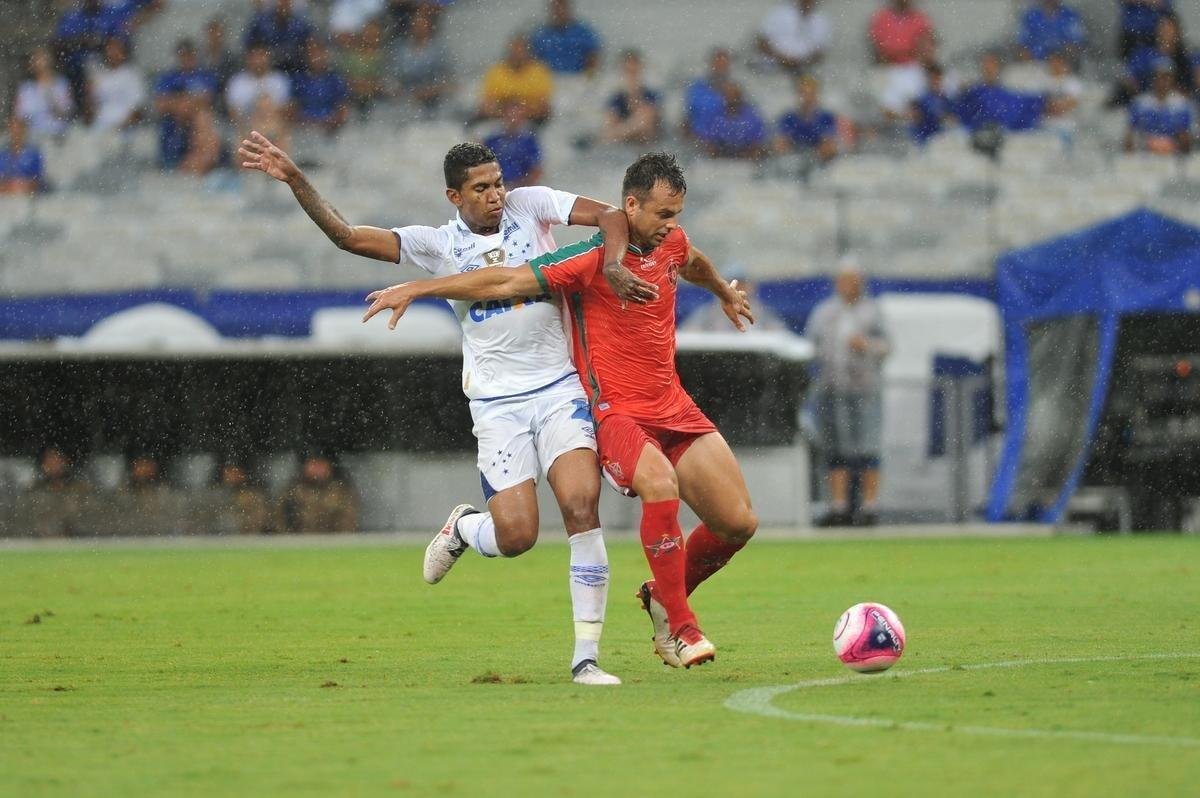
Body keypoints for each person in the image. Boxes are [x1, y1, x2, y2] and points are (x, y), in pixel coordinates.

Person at [237, 134, 648, 685]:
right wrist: (297, 180)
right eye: (481, 188)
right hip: (497, 404)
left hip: (558, 388)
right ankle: (463, 530)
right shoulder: (436, 243)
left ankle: (586, 658)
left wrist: (616, 264)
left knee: (581, 504)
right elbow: (347, 237)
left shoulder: (533, 204)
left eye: (498, 182)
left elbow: (613, 218)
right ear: (454, 196)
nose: (497, 195)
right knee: (518, 536)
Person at [362, 152, 759, 670]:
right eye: (663, 215)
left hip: (673, 405)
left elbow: (692, 260)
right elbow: (501, 281)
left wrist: (722, 291)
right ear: (631, 206)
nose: (672, 227)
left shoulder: (672, 244)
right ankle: (679, 631)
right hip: (616, 414)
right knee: (654, 489)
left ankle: (662, 596)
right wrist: (420, 285)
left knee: (737, 523)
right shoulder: (588, 261)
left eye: (677, 215)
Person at [805, 260, 890, 527]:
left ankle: (869, 506)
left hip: (864, 390)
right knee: (835, 449)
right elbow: (811, 346)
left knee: (868, 447)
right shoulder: (825, 312)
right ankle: (839, 505)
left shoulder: (873, 312)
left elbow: (887, 346)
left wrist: (866, 346)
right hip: (832, 389)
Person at [154, 39, 221, 174]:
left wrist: (181, 103)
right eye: (183, 55)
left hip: (198, 123)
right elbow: (160, 104)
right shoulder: (168, 77)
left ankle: (199, 163)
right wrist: (183, 104)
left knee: (203, 118)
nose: (187, 59)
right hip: (173, 123)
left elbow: (207, 99)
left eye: (190, 55)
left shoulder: (205, 75)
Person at [478, 35, 554, 124]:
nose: (518, 54)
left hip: (532, 121)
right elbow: (486, 106)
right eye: (515, 50)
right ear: (509, 51)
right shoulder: (496, 71)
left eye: (521, 50)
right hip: (500, 121)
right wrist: (508, 114)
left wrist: (519, 114)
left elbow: (544, 107)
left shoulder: (539, 71)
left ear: (528, 51)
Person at [278, 454, 359, 533]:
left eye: (321, 464)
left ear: (329, 466)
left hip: (333, 540)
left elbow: (349, 522)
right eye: (313, 464)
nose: (317, 468)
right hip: (301, 540)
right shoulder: (293, 490)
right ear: (305, 466)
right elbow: (279, 520)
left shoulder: (341, 491)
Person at [24, 447, 93, 538]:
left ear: (65, 461)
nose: (53, 464)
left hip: (76, 538)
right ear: (43, 464)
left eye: (56, 459)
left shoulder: (79, 487)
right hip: (41, 540)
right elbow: (30, 517)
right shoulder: (36, 488)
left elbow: (87, 516)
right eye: (49, 460)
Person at [390, 11, 452, 110]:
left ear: (429, 27)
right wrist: (407, 92)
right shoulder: (401, 50)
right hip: (407, 98)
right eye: (416, 25)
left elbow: (448, 78)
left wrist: (431, 90)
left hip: (435, 98)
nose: (419, 29)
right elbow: (395, 77)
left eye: (422, 25)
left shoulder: (439, 50)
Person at [1126, 64, 1193, 155]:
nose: (1162, 81)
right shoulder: (1140, 102)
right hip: (1144, 151)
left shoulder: (1181, 104)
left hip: (1173, 151)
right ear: (1153, 79)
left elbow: (1185, 135)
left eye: (1166, 77)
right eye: (1159, 77)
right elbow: (1131, 132)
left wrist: (1176, 147)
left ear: (1172, 79)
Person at [600, 49, 661, 145]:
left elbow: (646, 127)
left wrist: (620, 131)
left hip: (648, 146)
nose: (632, 76)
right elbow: (607, 132)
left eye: (634, 71)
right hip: (624, 147)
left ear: (641, 69)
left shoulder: (652, 96)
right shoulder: (616, 99)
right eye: (628, 71)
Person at [225, 45, 291, 132]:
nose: (258, 60)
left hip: (274, 129)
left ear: (268, 58)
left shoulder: (279, 80)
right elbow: (233, 113)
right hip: (245, 129)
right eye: (254, 56)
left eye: (261, 56)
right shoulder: (237, 82)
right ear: (247, 59)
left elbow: (286, 111)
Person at [87, 37, 147, 132]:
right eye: (110, 50)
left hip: (126, 127)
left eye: (117, 50)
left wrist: (121, 126)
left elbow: (138, 107)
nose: (113, 54)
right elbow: (91, 107)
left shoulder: (133, 74)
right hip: (102, 125)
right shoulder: (100, 74)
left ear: (124, 52)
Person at [776, 75, 839, 163]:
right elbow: (781, 141)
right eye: (804, 93)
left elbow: (829, 141)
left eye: (810, 94)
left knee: (828, 147)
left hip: (818, 158)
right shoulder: (788, 117)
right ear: (798, 95)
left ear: (816, 95)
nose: (807, 98)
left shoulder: (826, 117)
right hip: (793, 157)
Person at [756, 0, 832, 74]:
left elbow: (821, 53)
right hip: (773, 70)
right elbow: (762, 42)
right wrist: (782, 60)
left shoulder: (821, 21)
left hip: (803, 71)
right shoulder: (779, 14)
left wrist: (799, 62)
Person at [291, 39, 350, 132]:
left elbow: (343, 109)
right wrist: (307, 123)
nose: (316, 58)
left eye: (319, 53)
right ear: (306, 56)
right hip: (305, 128)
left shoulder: (335, 79)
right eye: (312, 54)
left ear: (325, 55)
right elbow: (292, 108)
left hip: (330, 129)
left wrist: (333, 122)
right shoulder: (299, 79)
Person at [698, 83, 769, 159]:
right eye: (728, 95)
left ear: (740, 97)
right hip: (719, 154)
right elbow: (707, 137)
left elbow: (758, 139)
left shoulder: (751, 115)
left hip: (745, 155)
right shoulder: (715, 114)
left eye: (734, 95)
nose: (731, 98)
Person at [529, 0, 602, 75]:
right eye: (555, 9)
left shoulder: (583, 33)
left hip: (578, 79)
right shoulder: (541, 34)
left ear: (568, 9)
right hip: (549, 80)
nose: (559, 12)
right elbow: (532, 59)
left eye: (562, 8)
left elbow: (594, 55)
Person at [16, 48, 75, 139]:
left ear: (50, 62)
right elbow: (20, 117)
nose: (40, 64)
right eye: (36, 60)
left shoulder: (61, 84)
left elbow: (67, 112)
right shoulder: (26, 88)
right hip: (34, 136)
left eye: (42, 60)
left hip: (59, 135)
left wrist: (51, 98)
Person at [245, 0, 315, 75]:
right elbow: (248, 44)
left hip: (296, 71)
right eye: (281, 1)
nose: (283, 4)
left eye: (286, 2)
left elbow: (311, 47)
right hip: (269, 72)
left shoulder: (300, 25)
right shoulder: (262, 23)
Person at [484, 102, 543, 188]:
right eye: (509, 115)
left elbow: (536, 170)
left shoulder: (529, 141)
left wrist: (520, 186)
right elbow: (483, 166)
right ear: (503, 116)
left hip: (522, 188)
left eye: (517, 115)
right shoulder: (492, 140)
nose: (513, 119)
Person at [683, 48, 732, 141]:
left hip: (728, 137)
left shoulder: (736, 88)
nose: (720, 68)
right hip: (701, 138)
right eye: (718, 64)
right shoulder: (697, 87)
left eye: (723, 65)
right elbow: (691, 112)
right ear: (711, 64)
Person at [868, 0, 935, 65]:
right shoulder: (881, 19)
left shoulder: (920, 19)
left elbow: (926, 48)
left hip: (914, 67)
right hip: (888, 67)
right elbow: (878, 50)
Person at [1017, 0, 1085, 63]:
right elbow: (1021, 45)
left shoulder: (1070, 16)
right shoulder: (1030, 16)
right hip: (1035, 65)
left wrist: (1060, 59)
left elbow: (1076, 45)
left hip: (1063, 66)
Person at [1, 117, 47, 195]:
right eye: (13, 129)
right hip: (5, 198)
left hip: (28, 197)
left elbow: (37, 181)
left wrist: (20, 186)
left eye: (19, 129)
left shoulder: (33, 154)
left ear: (24, 131)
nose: (16, 132)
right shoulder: (2, 154)